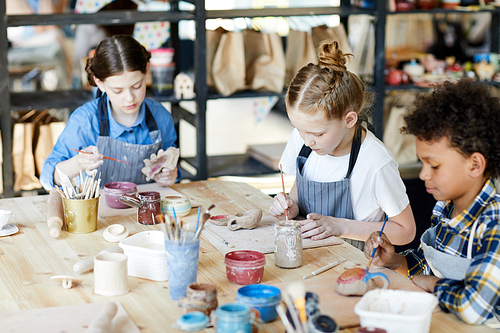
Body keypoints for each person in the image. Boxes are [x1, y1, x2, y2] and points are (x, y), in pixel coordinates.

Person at [364, 79, 500, 326]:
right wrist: (396, 261)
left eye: (434, 165)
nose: (423, 174)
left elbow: (474, 308)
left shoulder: (493, 224)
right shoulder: (445, 207)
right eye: (422, 163)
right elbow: (426, 267)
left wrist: (432, 284)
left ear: (475, 164)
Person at [268, 41, 416, 249]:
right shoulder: (302, 139)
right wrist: (289, 207)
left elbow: (405, 230)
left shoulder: (376, 161)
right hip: (309, 255)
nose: (307, 140)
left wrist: (341, 226)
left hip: (354, 266)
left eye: (318, 133)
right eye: (299, 129)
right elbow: (297, 194)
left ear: (349, 120)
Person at [40, 35, 180, 189]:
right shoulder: (85, 120)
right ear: (100, 83)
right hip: (98, 212)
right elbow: (47, 178)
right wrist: (78, 162)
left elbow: (171, 166)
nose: (129, 98)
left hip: (146, 209)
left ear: (147, 71)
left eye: (137, 86)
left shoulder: (161, 117)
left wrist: (170, 175)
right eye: (117, 90)